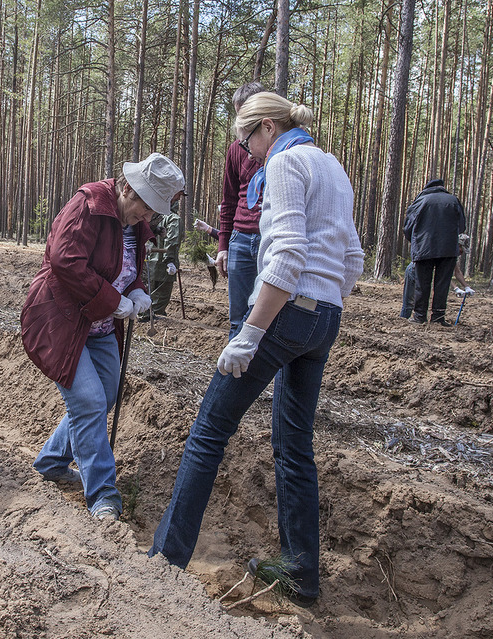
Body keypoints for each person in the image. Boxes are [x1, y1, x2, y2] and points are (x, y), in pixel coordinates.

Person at [150, 92, 364, 608]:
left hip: (286, 314)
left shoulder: (287, 162)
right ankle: (301, 576)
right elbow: (352, 256)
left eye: (247, 142)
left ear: (267, 127)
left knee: (208, 431)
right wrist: (324, 300)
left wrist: (250, 332)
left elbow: (287, 255)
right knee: (295, 447)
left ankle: (164, 562)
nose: (247, 155)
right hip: (325, 318)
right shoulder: (332, 165)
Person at [21, 153, 185, 521]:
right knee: (90, 401)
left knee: (104, 395)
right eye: (143, 210)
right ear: (127, 188)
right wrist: (114, 301)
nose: (147, 219)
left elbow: (129, 269)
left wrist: (139, 290)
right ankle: (103, 496)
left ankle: (51, 461)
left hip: (100, 327)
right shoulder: (89, 203)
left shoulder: (138, 224)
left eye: (152, 215)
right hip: (62, 321)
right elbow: (65, 261)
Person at [217, 82, 267, 338]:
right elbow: (228, 199)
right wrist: (223, 245)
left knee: (270, 320)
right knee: (238, 320)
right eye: (238, 115)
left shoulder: (281, 148)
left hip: (270, 241)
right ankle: (235, 376)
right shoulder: (236, 150)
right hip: (240, 240)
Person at [402, 178, 466, 325]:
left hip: (424, 248)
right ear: (442, 188)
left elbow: (408, 227)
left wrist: (417, 240)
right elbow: (461, 225)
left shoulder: (420, 201)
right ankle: (438, 317)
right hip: (448, 249)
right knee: (442, 284)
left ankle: (419, 316)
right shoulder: (453, 200)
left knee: (422, 283)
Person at [400, 233, 474, 319]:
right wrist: (456, 288)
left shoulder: (451, 254)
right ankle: (404, 320)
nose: (461, 253)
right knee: (410, 301)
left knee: (421, 300)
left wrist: (467, 287)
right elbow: (441, 275)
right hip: (414, 270)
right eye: (461, 250)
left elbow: (457, 272)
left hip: (424, 274)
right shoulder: (442, 250)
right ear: (457, 244)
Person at [144, 197, 185, 317]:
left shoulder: (153, 216)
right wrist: (170, 261)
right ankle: (152, 317)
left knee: (148, 292)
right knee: (161, 296)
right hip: (164, 265)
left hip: (149, 262)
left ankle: (145, 314)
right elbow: (172, 241)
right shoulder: (174, 219)